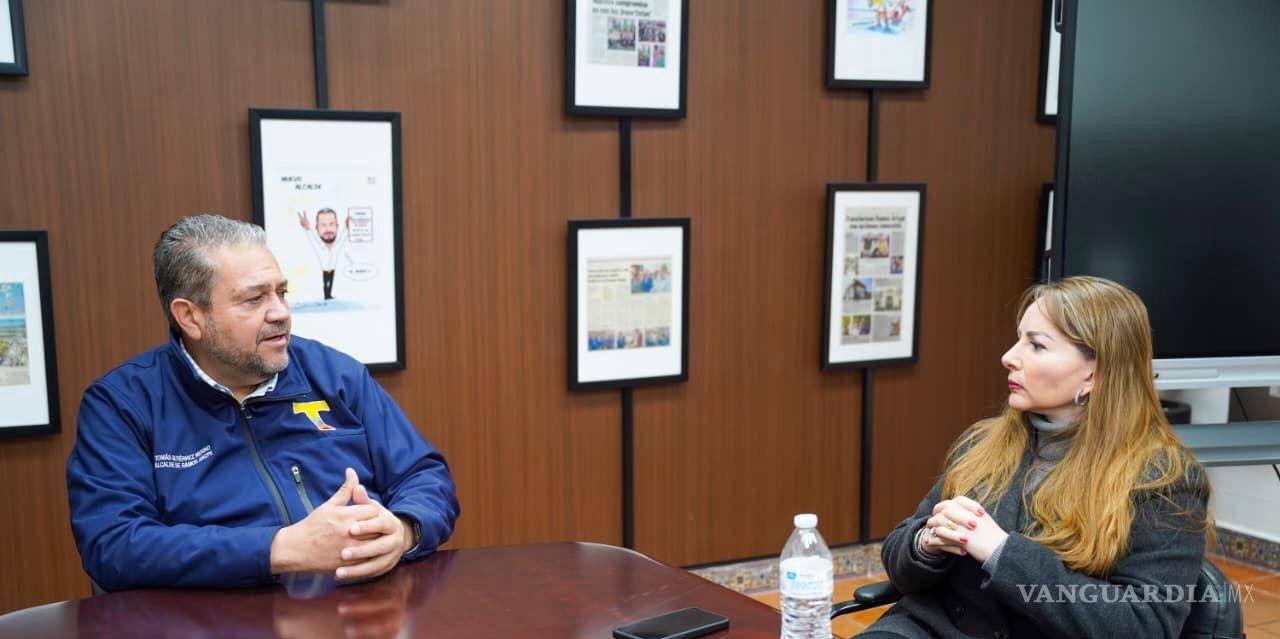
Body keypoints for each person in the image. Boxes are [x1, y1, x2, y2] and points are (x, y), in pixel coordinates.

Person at [66, 214, 460, 591]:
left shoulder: (334, 374)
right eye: (254, 299)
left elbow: (424, 475)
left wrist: (404, 529)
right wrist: (278, 549)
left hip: (359, 608)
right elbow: (113, 543)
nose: (281, 313)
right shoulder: (123, 404)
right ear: (190, 318)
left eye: (281, 292)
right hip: (214, 619)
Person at [861, 276, 1212, 638]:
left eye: (1037, 345)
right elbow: (900, 562)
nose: (1008, 357)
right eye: (1018, 339)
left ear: (1094, 374)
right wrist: (924, 544)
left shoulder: (1162, 477)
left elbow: (1145, 625)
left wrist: (1001, 552)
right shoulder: (983, 441)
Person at [298, 208, 348, 300]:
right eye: (323, 225)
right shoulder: (319, 247)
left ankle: (329, 295)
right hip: (325, 270)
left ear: (337, 226)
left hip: (332, 270)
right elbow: (312, 238)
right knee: (326, 282)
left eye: (331, 224)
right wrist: (307, 229)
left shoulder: (337, 247)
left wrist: (347, 227)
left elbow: (343, 237)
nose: (328, 229)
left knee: (330, 281)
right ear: (317, 228)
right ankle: (327, 295)